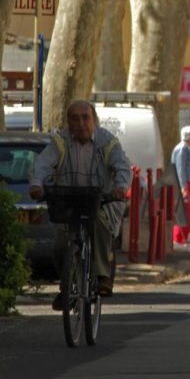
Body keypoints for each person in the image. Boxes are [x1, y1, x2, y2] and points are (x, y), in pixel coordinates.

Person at [29, 100, 133, 306]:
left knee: (99, 223)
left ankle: (103, 275)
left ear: (94, 120)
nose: (81, 123)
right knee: (60, 243)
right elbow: (42, 164)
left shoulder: (108, 142)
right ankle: (66, 286)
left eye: (85, 118)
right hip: (69, 200)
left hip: (101, 200)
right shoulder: (60, 141)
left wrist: (121, 187)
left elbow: (122, 167)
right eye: (75, 119)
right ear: (68, 122)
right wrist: (36, 184)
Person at [171, 125, 190, 244]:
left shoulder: (189, 148)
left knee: (188, 211)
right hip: (185, 184)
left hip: (189, 183)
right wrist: (183, 186)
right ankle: (178, 238)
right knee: (184, 211)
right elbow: (180, 168)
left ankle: (184, 238)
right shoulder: (182, 148)